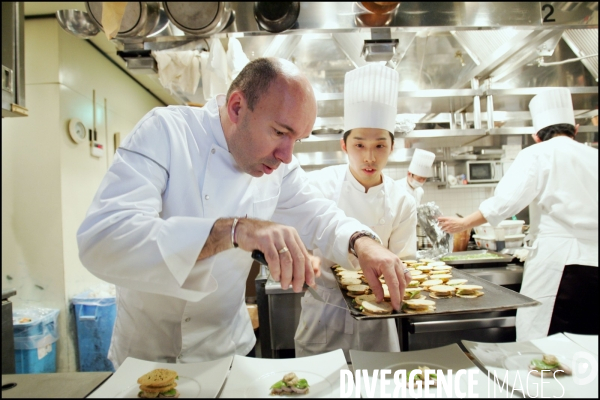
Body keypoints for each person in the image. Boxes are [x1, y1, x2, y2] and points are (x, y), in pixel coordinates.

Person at [77, 57, 410, 368]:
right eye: (280, 132)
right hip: (148, 356)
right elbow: (103, 239)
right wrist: (233, 230)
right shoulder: (166, 132)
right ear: (237, 107)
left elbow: (319, 215)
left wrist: (362, 242)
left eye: (297, 139)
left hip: (229, 352)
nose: (286, 156)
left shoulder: (278, 166)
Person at [438, 87, 598, 342]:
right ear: (575, 129)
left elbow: (506, 202)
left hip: (559, 264)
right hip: (594, 263)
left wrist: (464, 223)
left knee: (547, 342)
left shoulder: (537, 154)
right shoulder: (594, 155)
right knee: (589, 344)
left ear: (537, 136)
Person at [294, 64, 417, 360]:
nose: (369, 156)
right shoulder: (319, 184)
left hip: (378, 322)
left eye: (380, 145)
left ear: (393, 147)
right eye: (359, 144)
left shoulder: (403, 200)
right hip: (324, 314)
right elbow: (303, 242)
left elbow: (404, 264)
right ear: (344, 145)